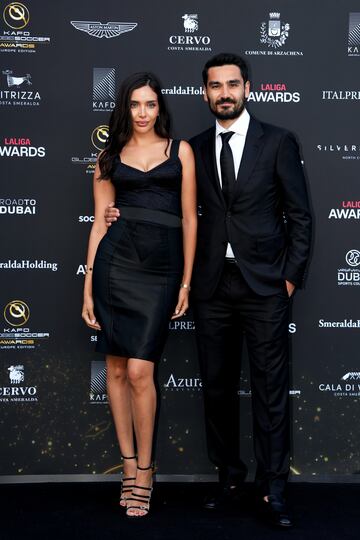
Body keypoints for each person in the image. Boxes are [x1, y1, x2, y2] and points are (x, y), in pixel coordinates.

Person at [105, 53, 312, 527]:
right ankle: (229, 478)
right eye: (215, 86)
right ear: (204, 93)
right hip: (211, 286)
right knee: (217, 389)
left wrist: (290, 277)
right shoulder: (190, 149)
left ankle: (273, 486)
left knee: (270, 390)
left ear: (247, 88)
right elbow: (158, 197)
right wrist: (118, 213)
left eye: (232, 85)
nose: (224, 93)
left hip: (265, 286)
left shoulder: (279, 142)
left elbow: (301, 216)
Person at [82, 72, 197, 519]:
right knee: (114, 370)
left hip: (162, 269)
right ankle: (128, 466)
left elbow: (190, 219)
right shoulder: (109, 156)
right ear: (125, 108)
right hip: (115, 264)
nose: (143, 113)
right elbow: (98, 222)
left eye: (150, 104)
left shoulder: (180, 151)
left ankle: (147, 471)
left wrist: (186, 282)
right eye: (135, 105)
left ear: (159, 108)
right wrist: (88, 284)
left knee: (139, 371)